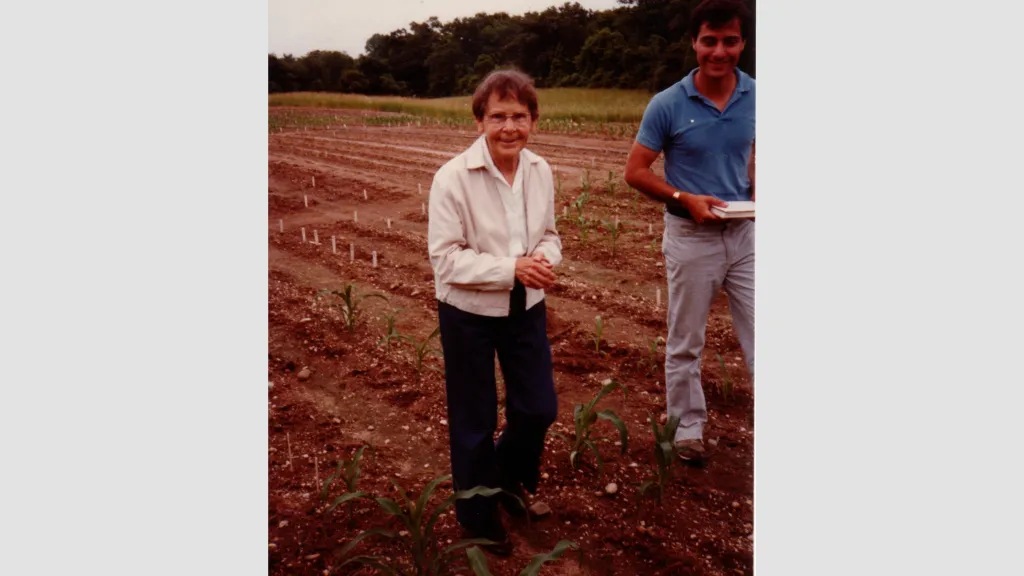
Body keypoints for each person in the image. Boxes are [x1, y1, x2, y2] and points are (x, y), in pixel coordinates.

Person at [426, 69, 561, 556]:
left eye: (519, 116)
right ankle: (478, 516)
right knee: (474, 417)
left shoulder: (540, 170)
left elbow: (548, 234)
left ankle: (505, 479)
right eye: (499, 116)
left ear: (534, 121)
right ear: (480, 120)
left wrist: (544, 261)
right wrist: (512, 267)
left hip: (525, 305)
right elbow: (445, 259)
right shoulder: (453, 178)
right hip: (468, 313)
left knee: (538, 407)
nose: (510, 127)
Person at [624, 0, 755, 465]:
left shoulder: (758, 96)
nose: (719, 51)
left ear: (742, 42)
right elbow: (636, 171)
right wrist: (684, 199)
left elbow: (753, 154)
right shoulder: (668, 104)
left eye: (730, 41)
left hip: (746, 236)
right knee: (686, 341)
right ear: (694, 43)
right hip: (690, 237)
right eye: (709, 41)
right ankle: (687, 431)